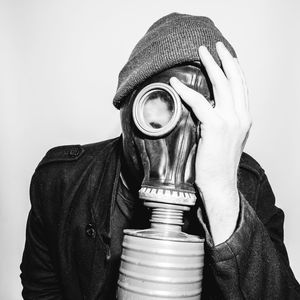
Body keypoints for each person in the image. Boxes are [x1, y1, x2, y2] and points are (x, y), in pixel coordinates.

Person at [20, 12, 300, 299]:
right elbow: (42, 291)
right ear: (126, 105)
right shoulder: (62, 183)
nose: (179, 140)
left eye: (204, 116)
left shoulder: (247, 187)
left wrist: (222, 196)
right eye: (160, 107)